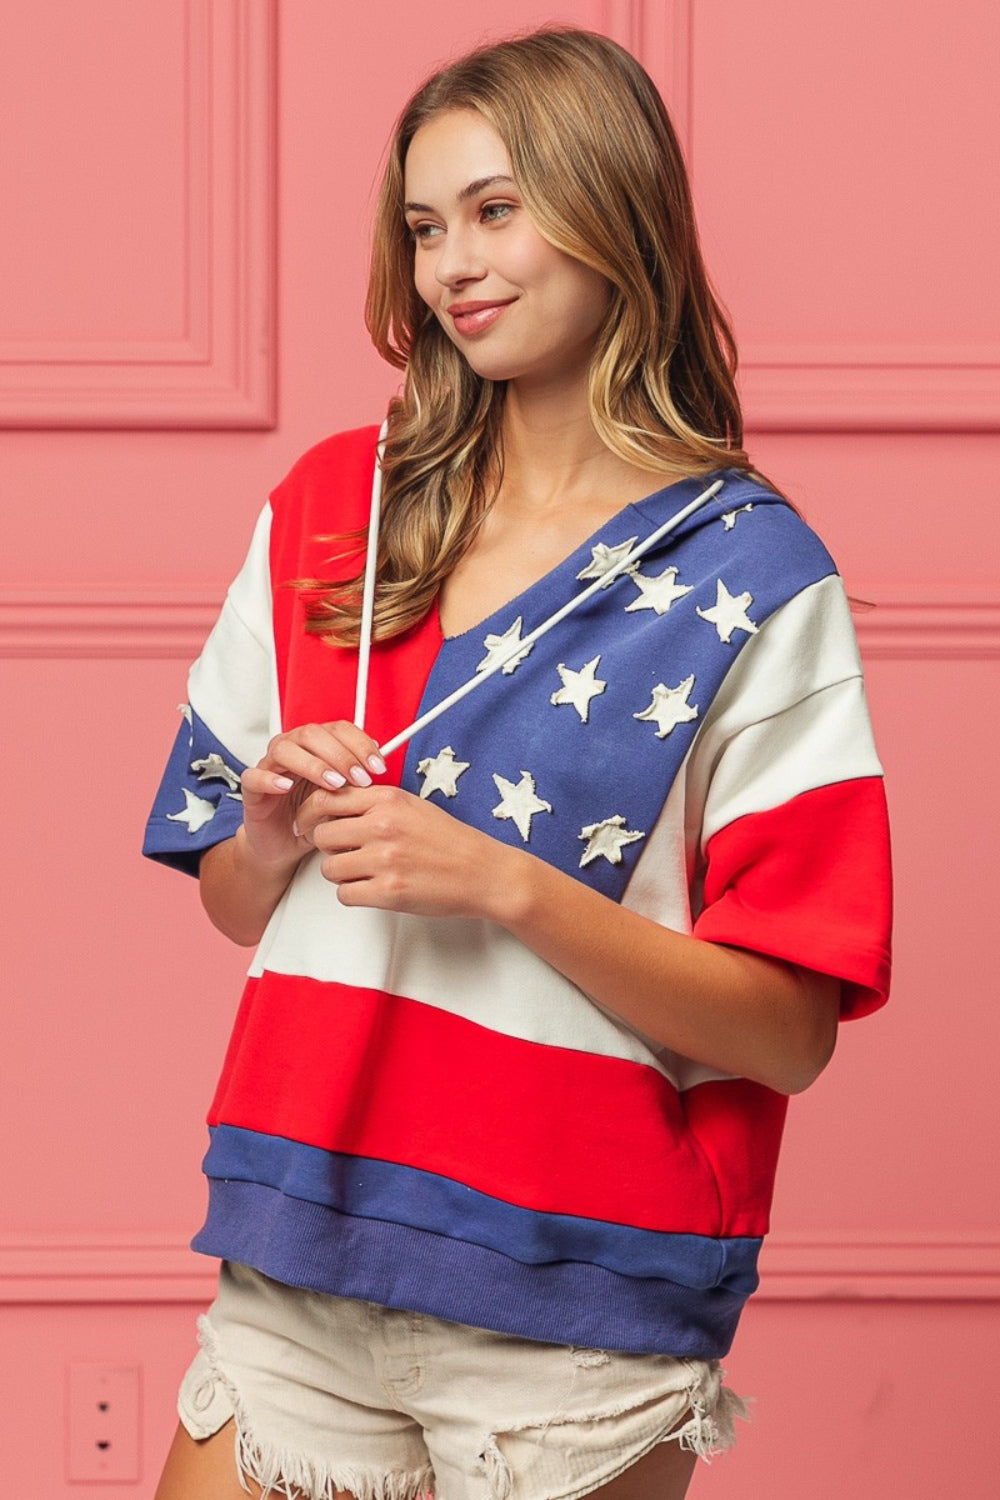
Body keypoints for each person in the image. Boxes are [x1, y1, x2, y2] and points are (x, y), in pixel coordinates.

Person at [145, 27, 891, 1500]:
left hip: (576, 1291)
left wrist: (504, 884)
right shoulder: (329, 506)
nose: (450, 266)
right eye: (424, 226)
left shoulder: (757, 573)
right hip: (302, 1229)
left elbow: (791, 1033)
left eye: (497, 210)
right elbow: (237, 905)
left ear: (613, 213)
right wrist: (277, 832)